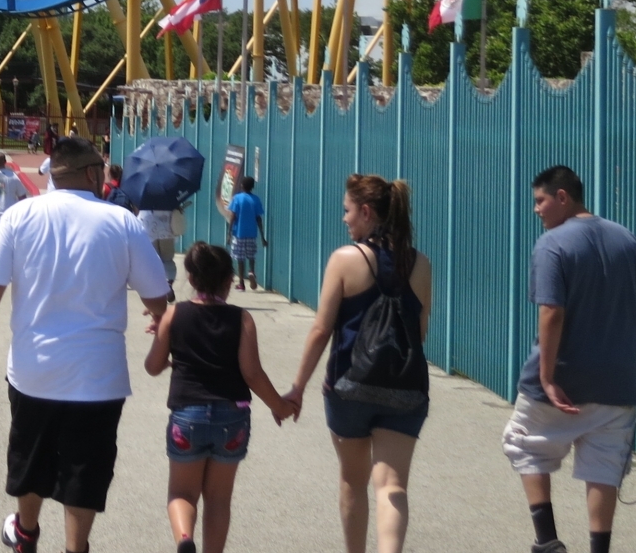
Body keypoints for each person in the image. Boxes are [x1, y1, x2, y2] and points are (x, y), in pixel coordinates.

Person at [0, 136, 173, 553]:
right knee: (85, 469)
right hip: (99, 376)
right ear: (92, 173)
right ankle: (76, 548)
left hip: (33, 370)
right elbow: (156, 296)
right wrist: (159, 320)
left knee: (30, 456)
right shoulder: (121, 222)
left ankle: (26, 532)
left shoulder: (20, 216)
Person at [501, 165, 636, 553]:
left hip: (564, 380)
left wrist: (546, 378)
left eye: (540, 201)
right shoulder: (626, 239)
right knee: (604, 465)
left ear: (562, 197)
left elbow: (551, 312)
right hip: (620, 382)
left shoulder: (552, 244)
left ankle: (547, 540)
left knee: (524, 443)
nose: (536, 210)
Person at [285, 174, 433, 553]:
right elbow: (419, 333)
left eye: (347, 210)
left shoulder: (344, 259)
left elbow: (321, 329)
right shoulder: (420, 264)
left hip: (349, 386)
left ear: (366, 212)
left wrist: (298, 388)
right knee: (393, 485)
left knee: (353, 480)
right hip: (406, 387)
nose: (344, 219)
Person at [144, 242, 293, 553]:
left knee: (182, 494)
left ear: (191, 278)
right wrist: (279, 405)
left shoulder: (174, 315)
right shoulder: (242, 319)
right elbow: (252, 373)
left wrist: (167, 347)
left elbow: (152, 367)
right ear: (228, 280)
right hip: (232, 419)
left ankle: (185, 539)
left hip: (187, 416)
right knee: (219, 499)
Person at [225, 177, 265, 291]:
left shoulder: (237, 198)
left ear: (242, 185)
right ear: (252, 187)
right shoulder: (256, 199)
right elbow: (258, 218)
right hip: (252, 233)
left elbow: (233, 216)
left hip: (239, 233)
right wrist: (262, 237)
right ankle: (251, 271)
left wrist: (229, 233)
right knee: (251, 256)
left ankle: (241, 283)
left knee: (240, 258)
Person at [144, 205, 185, 291]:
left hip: (149, 227)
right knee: (168, 259)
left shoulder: (146, 199)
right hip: (167, 229)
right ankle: (169, 283)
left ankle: (156, 285)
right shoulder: (169, 199)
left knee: (153, 260)